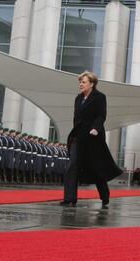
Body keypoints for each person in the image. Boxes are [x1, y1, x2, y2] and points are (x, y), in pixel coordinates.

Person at [61, 71, 122, 208]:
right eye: (80, 82)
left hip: (93, 137)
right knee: (72, 166)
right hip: (79, 137)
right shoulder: (78, 98)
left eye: (83, 82)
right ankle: (69, 198)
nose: (80, 84)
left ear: (92, 84)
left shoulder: (100, 97)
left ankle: (104, 196)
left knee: (97, 168)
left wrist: (96, 128)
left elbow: (101, 115)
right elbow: (77, 119)